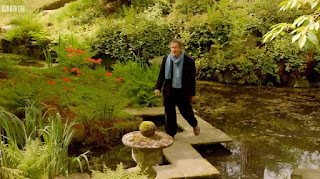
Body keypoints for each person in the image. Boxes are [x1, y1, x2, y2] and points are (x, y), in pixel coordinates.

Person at [154, 39, 200, 138]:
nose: (173, 50)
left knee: (186, 111)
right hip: (169, 90)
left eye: (175, 47)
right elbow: (161, 74)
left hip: (183, 91)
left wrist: (193, 94)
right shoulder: (166, 59)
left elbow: (192, 79)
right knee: (169, 113)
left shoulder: (189, 61)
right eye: (172, 47)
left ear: (180, 48)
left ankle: (194, 124)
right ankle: (171, 134)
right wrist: (158, 87)